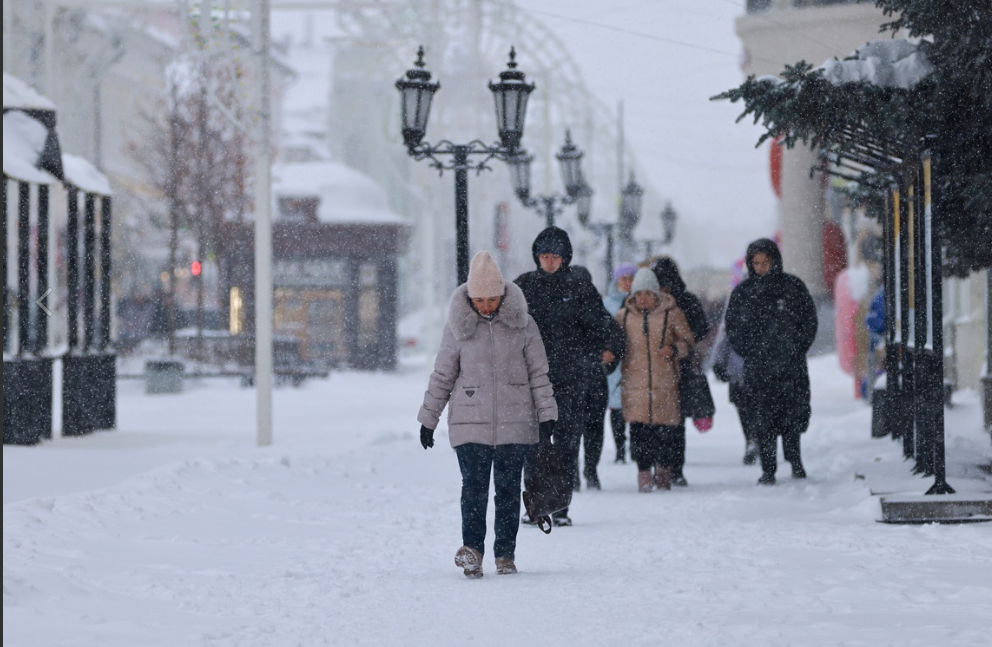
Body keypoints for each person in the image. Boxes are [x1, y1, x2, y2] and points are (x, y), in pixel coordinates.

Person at [418, 251, 558, 578]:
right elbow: (443, 374)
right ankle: (473, 551)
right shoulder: (457, 327)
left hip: (516, 422)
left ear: (502, 294)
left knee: (507, 491)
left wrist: (547, 413)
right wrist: (428, 418)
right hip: (469, 422)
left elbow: (539, 373)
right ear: (469, 296)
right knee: (474, 489)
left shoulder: (523, 323)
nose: (485, 306)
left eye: (492, 299)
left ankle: (505, 554)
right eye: (479, 299)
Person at [515, 227, 624, 525]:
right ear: (537, 257)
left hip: (571, 379)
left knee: (565, 445)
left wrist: (609, 349)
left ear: (566, 258)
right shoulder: (522, 288)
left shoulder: (579, 288)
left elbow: (604, 325)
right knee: (533, 446)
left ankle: (560, 509)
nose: (550, 262)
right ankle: (535, 505)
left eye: (556, 257)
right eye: (545, 256)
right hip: (533, 380)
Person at [725, 238, 818, 485]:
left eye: (765, 262)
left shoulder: (792, 287)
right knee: (763, 418)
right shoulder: (744, 293)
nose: (761, 268)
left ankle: (795, 461)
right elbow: (733, 328)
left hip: (790, 366)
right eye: (756, 263)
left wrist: (796, 348)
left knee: (793, 416)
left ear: (774, 261)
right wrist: (751, 352)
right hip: (759, 368)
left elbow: (808, 320)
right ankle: (768, 469)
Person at [615, 268, 695, 492]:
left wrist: (674, 349)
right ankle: (643, 474)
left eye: (647, 293)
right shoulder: (624, 317)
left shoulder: (672, 313)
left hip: (665, 383)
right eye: (638, 294)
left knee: (666, 433)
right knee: (639, 433)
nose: (643, 299)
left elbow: (688, 342)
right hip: (635, 384)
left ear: (656, 294)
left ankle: (663, 472)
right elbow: (613, 342)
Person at [651, 258, 711, 486]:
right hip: (659, 368)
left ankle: (674, 468)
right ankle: (665, 467)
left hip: (680, 367)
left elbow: (699, 329)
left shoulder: (684, 302)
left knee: (674, 421)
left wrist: (679, 344)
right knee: (660, 421)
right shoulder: (653, 302)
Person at [604, 263, 638, 463]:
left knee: (635, 406)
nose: (627, 283)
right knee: (616, 406)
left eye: (630, 278)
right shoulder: (607, 303)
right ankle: (620, 449)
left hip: (635, 359)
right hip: (615, 362)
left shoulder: (641, 302)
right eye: (623, 278)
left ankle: (635, 447)